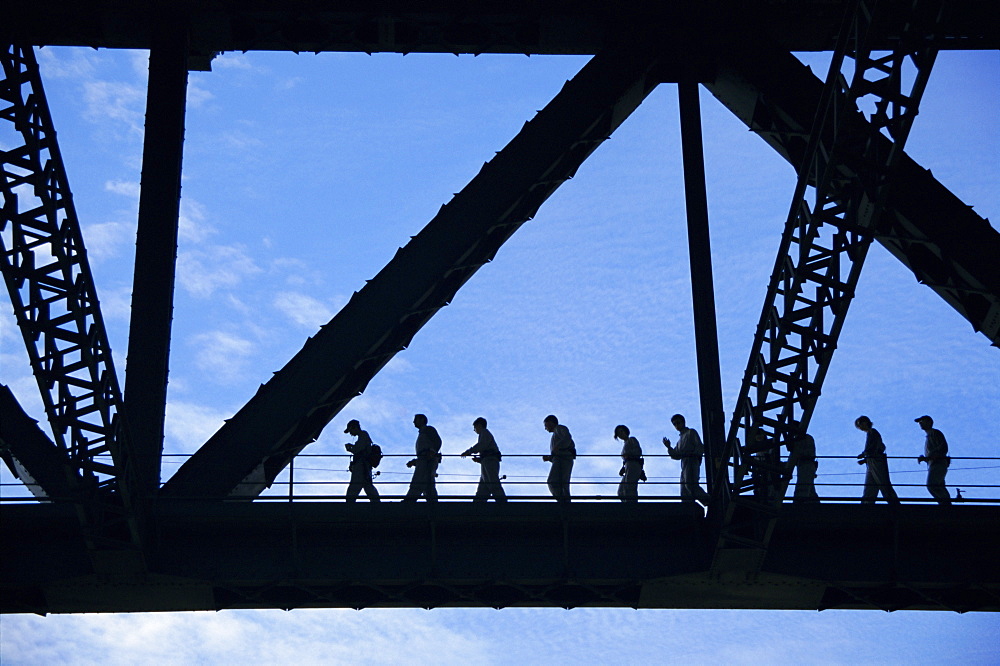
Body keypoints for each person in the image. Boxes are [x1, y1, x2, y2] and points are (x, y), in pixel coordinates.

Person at [663, 414, 711, 505]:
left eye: (678, 423)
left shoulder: (691, 432)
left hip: (691, 461)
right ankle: (688, 507)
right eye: (674, 424)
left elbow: (700, 446)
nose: (676, 425)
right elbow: (676, 455)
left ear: (683, 422)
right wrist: (669, 447)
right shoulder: (680, 440)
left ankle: (709, 501)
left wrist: (695, 456)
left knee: (691, 485)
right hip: (684, 463)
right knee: (684, 489)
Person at [854, 415, 899, 505]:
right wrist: (865, 460)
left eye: (860, 424)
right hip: (871, 462)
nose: (860, 427)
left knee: (883, 484)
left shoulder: (873, 432)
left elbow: (874, 448)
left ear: (865, 422)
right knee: (870, 487)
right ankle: (866, 505)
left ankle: (895, 504)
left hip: (877, 461)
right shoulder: (871, 433)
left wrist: (864, 454)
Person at [461, 417, 506, 502]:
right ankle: (479, 503)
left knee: (493, 482)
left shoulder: (484, 432)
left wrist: (469, 451)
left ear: (479, 425)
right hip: (486, 461)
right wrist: (480, 460)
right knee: (484, 486)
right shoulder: (485, 434)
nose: (475, 430)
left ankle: (502, 502)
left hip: (490, 461)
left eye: (475, 428)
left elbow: (482, 445)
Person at [402, 414, 442, 502]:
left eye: (416, 419)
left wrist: (432, 451)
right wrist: (415, 461)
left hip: (427, 459)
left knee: (418, 480)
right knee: (428, 483)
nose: (414, 422)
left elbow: (437, 442)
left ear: (422, 420)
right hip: (424, 459)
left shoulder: (428, 429)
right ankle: (433, 503)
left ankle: (409, 501)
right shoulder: (422, 433)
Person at [915, 415, 951, 506]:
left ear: (930, 422)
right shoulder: (929, 436)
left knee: (932, 485)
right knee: (939, 486)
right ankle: (946, 504)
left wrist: (928, 457)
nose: (920, 423)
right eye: (920, 422)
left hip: (938, 463)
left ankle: (945, 504)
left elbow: (943, 448)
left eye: (923, 421)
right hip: (934, 463)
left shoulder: (935, 433)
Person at [344, 419, 380, 503]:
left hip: (361, 466)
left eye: (350, 430)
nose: (350, 433)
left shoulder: (363, 435)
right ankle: (377, 504)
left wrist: (350, 449)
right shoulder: (363, 436)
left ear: (354, 427)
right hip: (365, 466)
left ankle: (348, 505)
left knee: (354, 487)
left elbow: (358, 449)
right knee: (368, 486)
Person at [543, 415, 576, 503]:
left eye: (546, 425)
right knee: (563, 482)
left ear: (550, 422)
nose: (545, 428)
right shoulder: (556, 434)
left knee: (553, 481)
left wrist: (556, 448)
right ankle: (565, 500)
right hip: (563, 458)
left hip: (563, 458)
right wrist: (550, 458)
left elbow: (566, 438)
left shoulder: (559, 428)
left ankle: (563, 500)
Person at [785, 430, 819, 504]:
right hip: (806, 464)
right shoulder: (807, 438)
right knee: (808, 485)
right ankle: (814, 502)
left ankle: (799, 502)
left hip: (805, 464)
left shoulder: (804, 438)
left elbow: (800, 453)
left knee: (804, 484)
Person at [615, 425, 644, 503]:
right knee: (621, 490)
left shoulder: (632, 439)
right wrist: (623, 467)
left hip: (634, 465)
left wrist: (629, 455)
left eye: (621, 431)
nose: (620, 434)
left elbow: (638, 452)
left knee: (630, 486)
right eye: (618, 433)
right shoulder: (625, 444)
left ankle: (632, 504)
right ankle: (626, 503)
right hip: (628, 466)